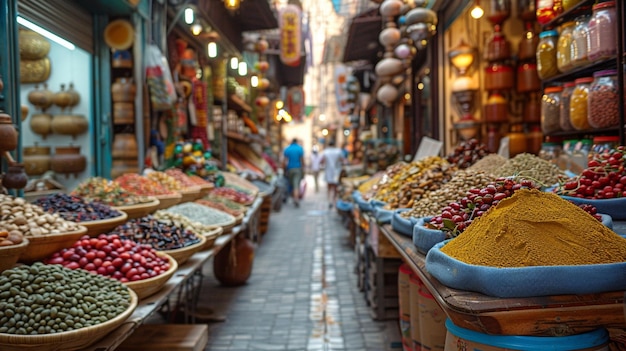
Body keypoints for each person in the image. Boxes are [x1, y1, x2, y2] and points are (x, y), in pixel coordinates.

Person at [321, 140, 345, 209]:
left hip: (328, 171)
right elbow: (342, 160)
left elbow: (322, 161)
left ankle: (330, 201)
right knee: (335, 188)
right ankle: (334, 201)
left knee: (329, 187)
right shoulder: (338, 151)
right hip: (336, 171)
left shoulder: (325, 151)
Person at [283, 138, 305, 207]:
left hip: (290, 169)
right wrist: (303, 168)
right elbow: (302, 160)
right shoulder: (300, 148)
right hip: (298, 168)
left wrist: (284, 169)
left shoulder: (287, 149)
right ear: (297, 142)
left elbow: (285, 161)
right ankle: (296, 199)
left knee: (292, 185)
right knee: (296, 185)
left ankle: (294, 198)